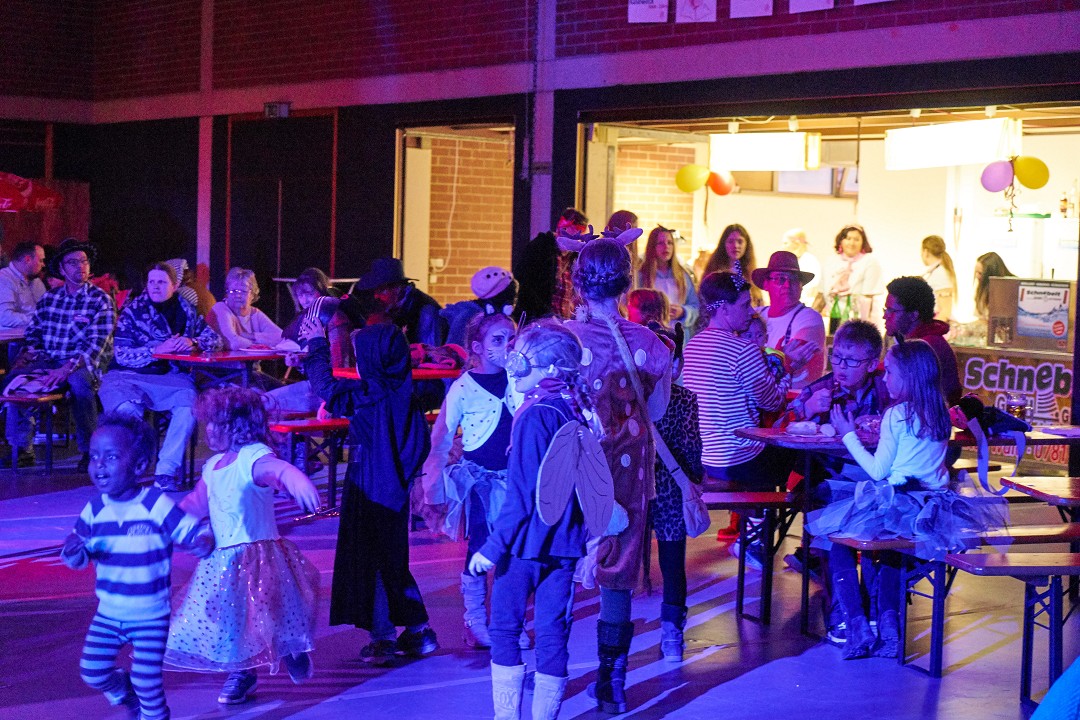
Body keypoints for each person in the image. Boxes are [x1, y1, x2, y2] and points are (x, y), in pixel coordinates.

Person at [808, 340, 1007, 659]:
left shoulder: (896, 414)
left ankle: (855, 623)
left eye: (890, 371)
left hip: (897, 501)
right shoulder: (940, 412)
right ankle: (888, 619)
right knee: (893, 552)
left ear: (908, 376)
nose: (885, 378)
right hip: (932, 508)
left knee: (836, 540)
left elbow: (878, 470)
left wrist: (848, 434)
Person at [467, 320, 597, 720]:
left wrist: (492, 548)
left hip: (524, 544)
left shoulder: (534, 415)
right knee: (553, 633)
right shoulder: (573, 407)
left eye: (522, 359)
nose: (512, 365)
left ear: (551, 369)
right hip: (564, 543)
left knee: (505, 628)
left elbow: (522, 495)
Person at [564, 234, 672, 715]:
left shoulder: (560, 340)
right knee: (617, 568)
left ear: (577, 283)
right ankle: (613, 682)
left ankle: (552, 675)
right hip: (626, 466)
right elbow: (658, 410)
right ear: (627, 284)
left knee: (559, 561)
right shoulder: (651, 343)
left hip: (572, 463)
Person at [165, 387, 321, 704]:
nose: (209, 430)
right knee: (230, 621)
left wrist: (295, 479)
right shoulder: (213, 466)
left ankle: (291, 647)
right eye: (208, 423)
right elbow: (197, 502)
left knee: (270, 613)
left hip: (259, 557)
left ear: (237, 425)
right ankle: (242, 672)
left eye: (216, 423)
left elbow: (274, 469)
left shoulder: (252, 456)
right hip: (221, 563)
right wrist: (170, 522)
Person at [300, 320, 437, 665]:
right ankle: (418, 630)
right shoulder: (406, 396)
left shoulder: (368, 396)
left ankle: (383, 637)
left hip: (368, 489)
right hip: (395, 491)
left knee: (370, 560)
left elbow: (325, 386)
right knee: (392, 558)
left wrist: (316, 344)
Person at [61, 414, 214, 720]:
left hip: (150, 615)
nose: (99, 465)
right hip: (109, 613)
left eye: (111, 457)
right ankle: (122, 690)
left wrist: (201, 539)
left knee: (147, 681)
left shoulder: (154, 504)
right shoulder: (94, 509)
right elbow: (78, 554)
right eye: (94, 456)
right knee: (92, 672)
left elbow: (189, 530)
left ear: (139, 465)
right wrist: (73, 552)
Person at [683, 271, 810, 566]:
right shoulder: (744, 350)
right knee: (808, 460)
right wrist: (788, 368)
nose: (751, 311)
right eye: (744, 305)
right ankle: (764, 540)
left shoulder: (694, 346)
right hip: (740, 458)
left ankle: (755, 533)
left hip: (704, 456)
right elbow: (772, 401)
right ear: (724, 309)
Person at [421, 311, 519, 649]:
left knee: (514, 551)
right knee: (481, 545)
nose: (508, 346)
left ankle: (507, 622)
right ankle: (475, 619)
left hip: (515, 481)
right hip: (480, 483)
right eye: (498, 340)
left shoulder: (520, 379)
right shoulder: (463, 387)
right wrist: (433, 489)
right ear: (477, 347)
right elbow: (441, 439)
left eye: (511, 338)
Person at [787, 319, 889, 644]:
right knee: (835, 523)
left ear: (871, 364)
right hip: (829, 480)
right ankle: (843, 614)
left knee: (879, 523)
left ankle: (874, 611)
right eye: (837, 357)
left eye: (851, 361)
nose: (841, 367)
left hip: (876, 481)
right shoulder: (821, 389)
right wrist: (806, 410)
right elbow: (780, 426)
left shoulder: (887, 391)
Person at [99, 262, 222, 491]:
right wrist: (157, 350)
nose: (155, 286)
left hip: (169, 377)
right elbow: (122, 354)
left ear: (174, 285)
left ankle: (166, 471)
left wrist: (192, 341)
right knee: (128, 409)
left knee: (189, 404)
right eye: (151, 282)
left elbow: (215, 340)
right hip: (127, 376)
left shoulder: (186, 310)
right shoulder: (133, 311)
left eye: (162, 282)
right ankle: (130, 469)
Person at [4, 238, 116, 471]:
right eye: (73, 263)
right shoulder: (50, 298)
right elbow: (34, 332)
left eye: (84, 261)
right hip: (49, 359)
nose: (80, 266)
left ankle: (89, 451)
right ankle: (22, 449)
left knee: (80, 386)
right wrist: (30, 353)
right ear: (62, 269)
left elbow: (96, 344)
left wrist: (67, 368)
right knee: (14, 381)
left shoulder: (100, 300)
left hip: (81, 362)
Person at [636, 321, 702, 663]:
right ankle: (672, 634)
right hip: (671, 489)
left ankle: (616, 647)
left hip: (633, 485)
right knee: (673, 561)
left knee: (623, 559)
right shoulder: (685, 399)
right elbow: (691, 447)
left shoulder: (629, 397)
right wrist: (695, 479)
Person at [264, 267, 354, 414]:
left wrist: (329, 403)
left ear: (322, 291)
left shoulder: (334, 318)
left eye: (309, 294)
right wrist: (300, 363)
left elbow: (341, 366)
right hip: (319, 386)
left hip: (332, 392)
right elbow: (319, 365)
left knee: (265, 402)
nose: (304, 300)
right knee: (263, 399)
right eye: (300, 295)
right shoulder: (312, 317)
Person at [884, 276, 962, 407]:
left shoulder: (927, 347)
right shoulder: (918, 341)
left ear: (913, 315)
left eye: (891, 311)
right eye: (885, 310)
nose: (885, 316)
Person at [752, 250, 826, 389]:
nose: (787, 285)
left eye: (794, 279)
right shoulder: (756, 314)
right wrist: (780, 355)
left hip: (794, 399)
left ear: (801, 286)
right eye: (780, 279)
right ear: (766, 284)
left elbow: (796, 355)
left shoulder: (809, 318)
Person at [513, 208, 588, 324]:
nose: (577, 240)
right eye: (574, 235)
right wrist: (544, 314)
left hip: (564, 323)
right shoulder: (540, 249)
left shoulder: (575, 258)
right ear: (561, 229)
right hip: (538, 322)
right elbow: (525, 285)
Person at [637, 226, 699, 329]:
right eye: (660, 243)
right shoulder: (642, 275)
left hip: (678, 332)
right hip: (652, 332)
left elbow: (695, 306)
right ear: (652, 246)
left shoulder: (683, 275)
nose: (666, 246)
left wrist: (683, 312)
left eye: (669, 243)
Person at [209, 267, 283, 350]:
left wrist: (250, 336)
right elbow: (234, 343)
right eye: (233, 291)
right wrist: (262, 344)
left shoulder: (255, 313)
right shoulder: (220, 309)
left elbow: (282, 337)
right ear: (227, 293)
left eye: (243, 291)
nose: (237, 295)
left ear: (253, 294)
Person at [440, 266, 518, 346]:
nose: (511, 304)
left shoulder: (488, 315)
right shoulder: (467, 316)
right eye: (509, 298)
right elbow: (453, 349)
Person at [825, 224, 883, 327]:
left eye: (856, 239)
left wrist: (864, 326)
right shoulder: (831, 261)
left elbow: (868, 297)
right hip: (834, 318)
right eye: (848, 238)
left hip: (859, 320)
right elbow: (822, 292)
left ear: (863, 242)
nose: (851, 243)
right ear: (841, 241)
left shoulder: (869, 261)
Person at [702, 224, 761, 306]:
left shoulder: (751, 275)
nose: (735, 246)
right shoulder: (714, 274)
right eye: (730, 241)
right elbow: (704, 302)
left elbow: (758, 302)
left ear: (746, 244)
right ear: (724, 244)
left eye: (740, 241)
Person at [0, 241, 45, 329]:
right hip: (15, 336)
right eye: (41, 260)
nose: (43, 264)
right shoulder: (4, 279)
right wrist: (37, 320)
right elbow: (5, 318)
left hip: (37, 331)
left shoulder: (36, 281)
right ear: (27, 259)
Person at [782, 228, 822, 309]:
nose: (783, 246)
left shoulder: (809, 260)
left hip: (804, 306)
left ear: (796, 243)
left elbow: (812, 288)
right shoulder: (785, 261)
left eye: (786, 243)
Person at [920, 235, 957, 321]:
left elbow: (945, 311)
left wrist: (932, 328)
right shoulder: (936, 272)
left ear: (926, 251)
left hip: (937, 323)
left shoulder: (940, 274)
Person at [973, 251, 1014, 319]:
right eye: (976, 272)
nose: (977, 276)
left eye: (980, 273)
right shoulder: (982, 289)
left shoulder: (1011, 289)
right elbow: (981, 317)